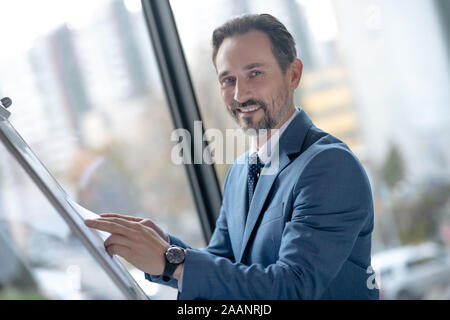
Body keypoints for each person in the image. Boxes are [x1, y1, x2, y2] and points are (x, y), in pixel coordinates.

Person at [85, 13, 379, 300]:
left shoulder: (330, 167)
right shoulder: (240, 172)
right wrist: (163, 245)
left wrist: (171, 260)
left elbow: (293, 287)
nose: (240, 94)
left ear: (294, 74)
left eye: (255, 73)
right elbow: (225, 263)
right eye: (228, 80)